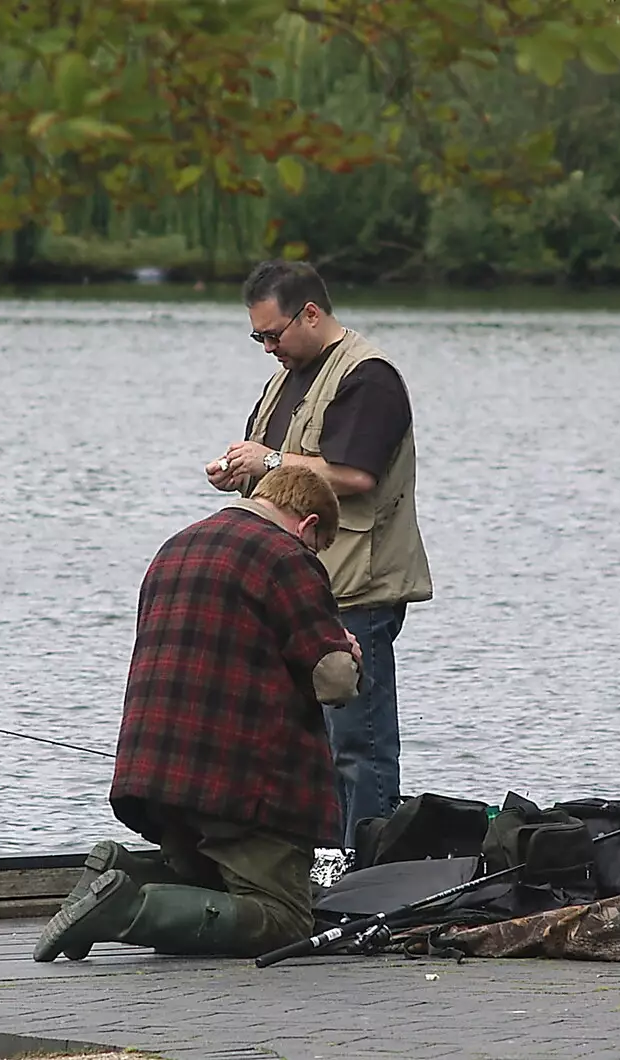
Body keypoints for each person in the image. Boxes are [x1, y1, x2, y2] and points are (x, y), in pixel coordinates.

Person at [33, 466, 362, 961]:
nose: (316, 555)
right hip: (240, 783)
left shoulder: (177, 545)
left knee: (208, 880)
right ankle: (121, 912)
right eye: (320, 545)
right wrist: (348, 650)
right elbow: (334, 680)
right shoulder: (287, 556)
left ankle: (118, 873)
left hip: (157, 774)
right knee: (284, 918)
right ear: (307, 524)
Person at [205, 259, 431, 850]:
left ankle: (375, 874)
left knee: (361, 746)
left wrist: (270, 462)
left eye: (272, 334)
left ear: (310, 313)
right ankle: (321, 867)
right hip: (294, 588)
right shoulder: (288, 374)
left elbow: (354, 474)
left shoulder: (369, 377)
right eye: (257, 337)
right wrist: (240, 475)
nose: (266, 348)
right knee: (306, 744)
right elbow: (281, 473)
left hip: (356, 590)